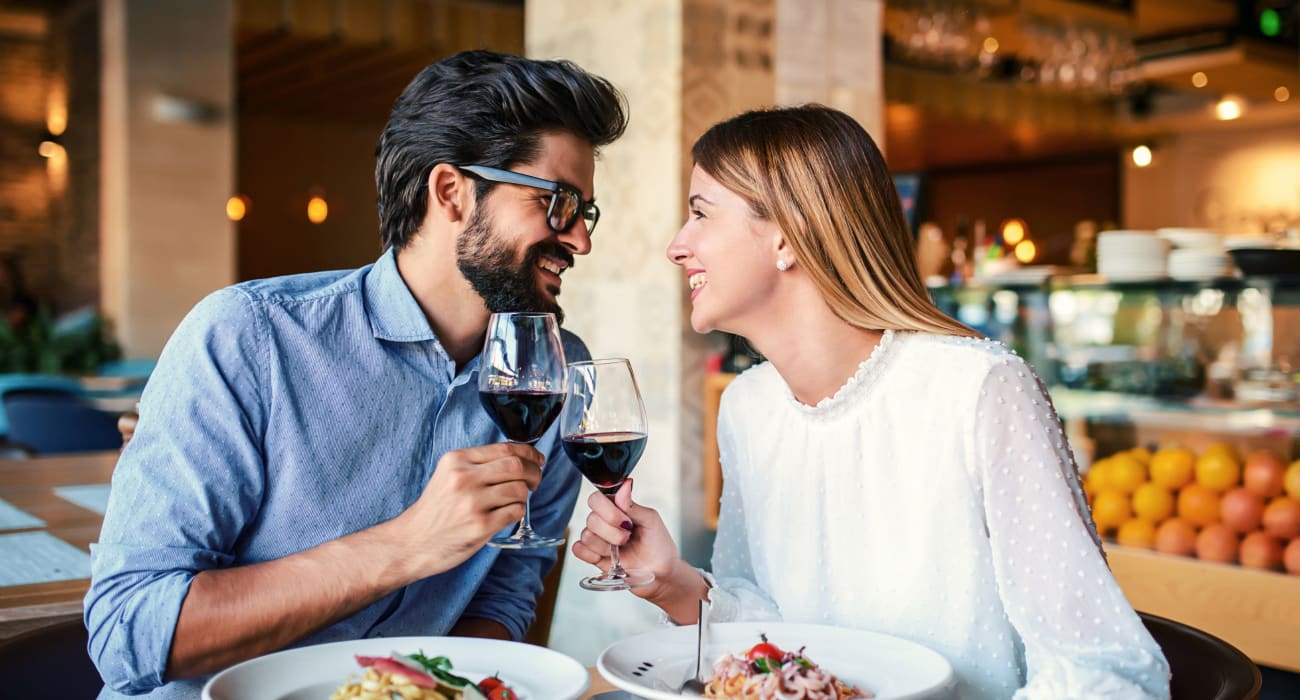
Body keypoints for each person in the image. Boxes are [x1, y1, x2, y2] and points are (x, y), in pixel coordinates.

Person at [573, 106, 1170, 700]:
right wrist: (673, 584)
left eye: (700, 213)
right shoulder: (749, 407)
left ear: (786, 232)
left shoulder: (979, 391)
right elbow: (775, 634)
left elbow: (1103, 669)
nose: (678, 246)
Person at [85, 50, 628, 698]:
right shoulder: (249, 337)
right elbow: (128, 635)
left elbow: (510, 595)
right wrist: (406, 545)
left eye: (584, 213)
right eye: (558, 202)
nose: (581, 241)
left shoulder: (559, 373)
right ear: (451, 192)